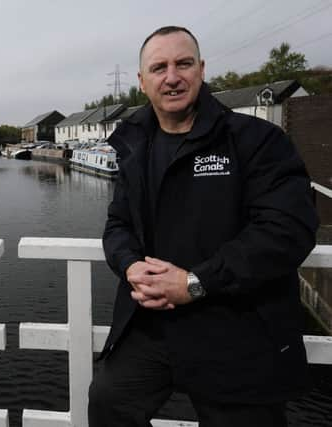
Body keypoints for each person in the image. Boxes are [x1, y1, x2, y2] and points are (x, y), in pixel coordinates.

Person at [88, 26, 318, 427]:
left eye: (184, 63)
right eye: (159, 67)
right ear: (142, 83)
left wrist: (196, 282)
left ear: (202, 69)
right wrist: (129, 265)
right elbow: (118, 223)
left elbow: (288, 228)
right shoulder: (134, 146)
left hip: (237, 327)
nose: (172, 76)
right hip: (153, 327)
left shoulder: (256, 141)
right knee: (109, 401)